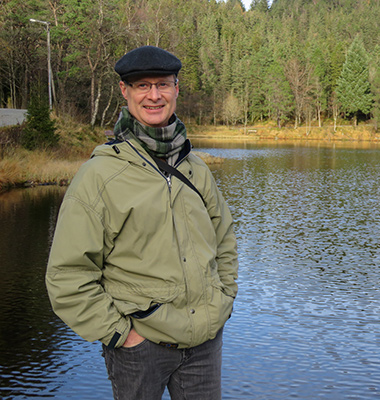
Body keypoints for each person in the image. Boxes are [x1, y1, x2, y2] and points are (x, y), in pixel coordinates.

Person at [46, 45, 238, 400]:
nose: (154, 95)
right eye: (142, 86)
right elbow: (67, 276)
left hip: (205, 344)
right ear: (125, 92)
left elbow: (224, 239)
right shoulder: (99, 175)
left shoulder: (196, 169)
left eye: (163, 84)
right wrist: (121, 335)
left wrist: (223, 299)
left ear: (176, 89)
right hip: (140, 347)